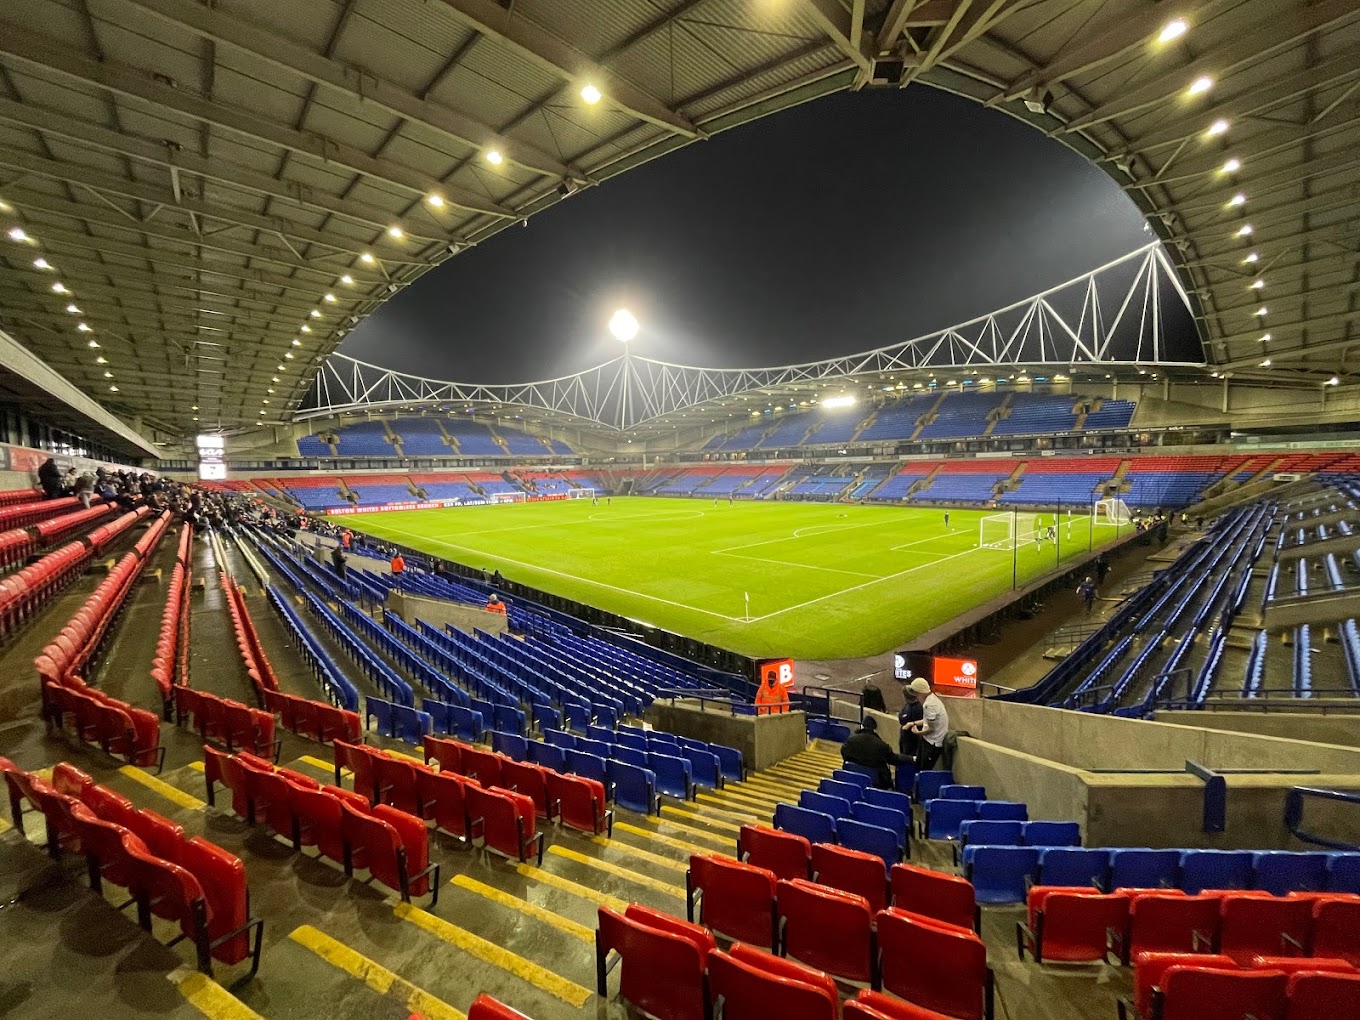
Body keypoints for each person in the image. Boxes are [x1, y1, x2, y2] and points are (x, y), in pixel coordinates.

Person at [840, 716, 904, 789]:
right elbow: (893, 759)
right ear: (874, 730)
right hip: (876, 783)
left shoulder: (851, 740)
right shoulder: (882, 746)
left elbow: (844, 753)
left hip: (851, 779)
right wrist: (911, 758)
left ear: (862, 726)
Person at [902, 677, 949, 771]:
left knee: (924, 770)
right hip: (928, 740)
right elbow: (927, 720)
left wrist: (917, 732)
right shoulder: (931, 699)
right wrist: (912, 723)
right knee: (918, 766)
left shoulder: (929, 705)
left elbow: (931, 729)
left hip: (933, 744)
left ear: (919, 692)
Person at [898, 683, 924, 760]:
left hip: (911, 738)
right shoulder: (909, 705)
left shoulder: (915, 707)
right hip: (907, 738)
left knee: (909, 758)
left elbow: (903, 719)